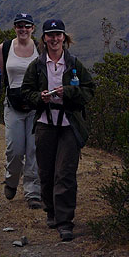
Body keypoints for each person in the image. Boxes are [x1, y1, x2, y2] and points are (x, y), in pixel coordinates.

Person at [21, 18, 95, 242]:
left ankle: (65, 222)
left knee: (65, 173)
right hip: (45, 123)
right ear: (43, 38)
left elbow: (90, 90)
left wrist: (69, 94)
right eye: (50, 35)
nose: (54, 39)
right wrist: (40, 98)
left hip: (69, 125)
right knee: (47, 172)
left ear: (64, 38)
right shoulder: (37, 65)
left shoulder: (73, 64)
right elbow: (26, 93)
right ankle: (51, 211)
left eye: (58, 35)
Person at [0, 13, 41, 209]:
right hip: (13, 105)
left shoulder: (40, 48)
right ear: (15, 28)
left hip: (36, 106)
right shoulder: (5, 48)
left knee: (34, 150)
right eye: (20, 26)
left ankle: (33, 192)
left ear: (33, 28)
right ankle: (11, 181)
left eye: (27, 26)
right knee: (15, 149)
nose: (23, 29)